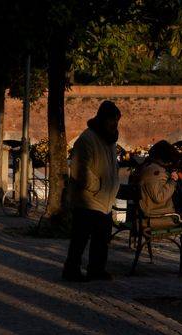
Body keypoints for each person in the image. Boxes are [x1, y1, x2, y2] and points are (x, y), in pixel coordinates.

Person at [64, 100, 121, 282]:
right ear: (103, 119)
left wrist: (112, 187)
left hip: (104, 199)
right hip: (88, 199)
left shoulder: (110, 140)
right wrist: (98, 187)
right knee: (80, 237)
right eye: (112, 120)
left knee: (101, 239)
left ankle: (96, 269)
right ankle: (71, 269)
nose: (115, 124)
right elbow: (79, 170)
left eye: (117, 121)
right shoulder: (87, 139)